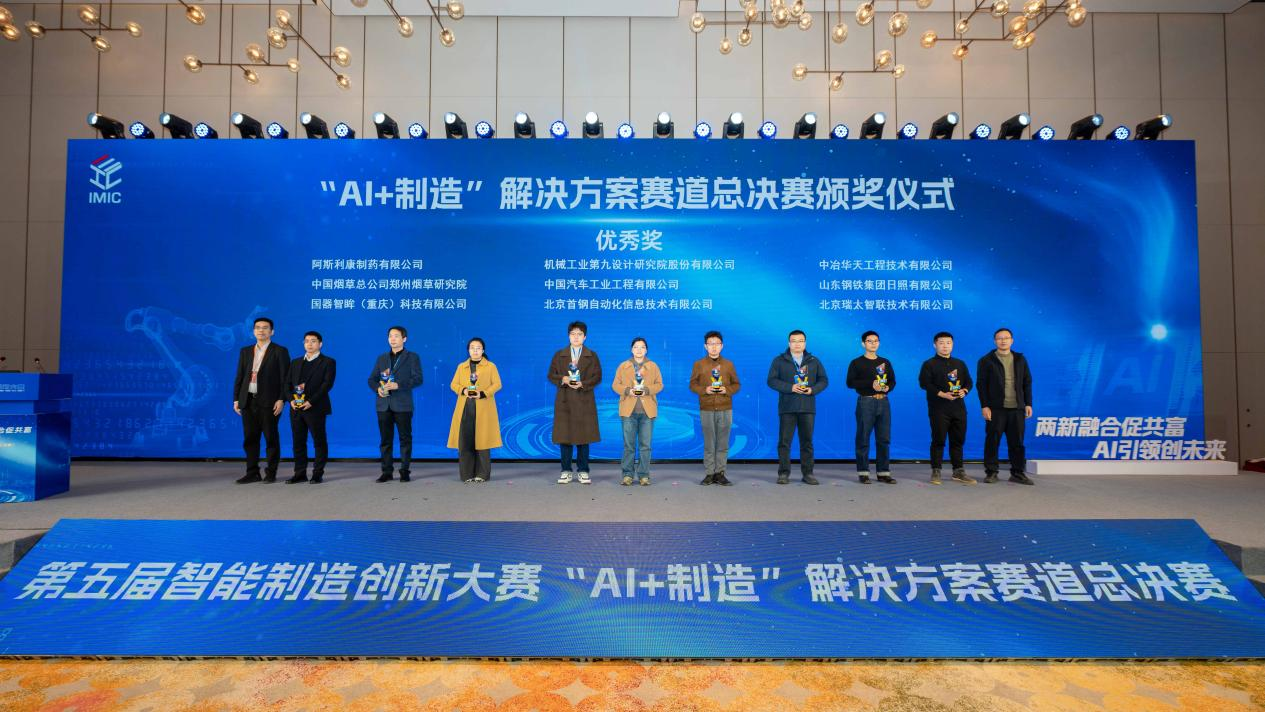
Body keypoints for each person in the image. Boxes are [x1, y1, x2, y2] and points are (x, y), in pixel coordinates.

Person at [232, 317, 291, 484]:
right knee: (250, 438)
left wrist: (282, 399)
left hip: (270, 401)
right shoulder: (245, 351)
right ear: (253, 331)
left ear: (272, 332)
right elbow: (240, 376)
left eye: (265, 328)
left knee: (271, 438)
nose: (261, 330)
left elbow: (285, 378)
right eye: (258, 327)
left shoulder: (280, 351)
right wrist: (236, 399)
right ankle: (252, 472)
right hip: (248, 399)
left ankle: (271, 472)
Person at [767, 330, 828, 485]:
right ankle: (783, 473)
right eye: (793, 341)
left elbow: (824, 380)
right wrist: (790, 387)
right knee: (784, 442)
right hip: (787, 407)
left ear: (805, 343)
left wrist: (812, 390)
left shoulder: (814, 361)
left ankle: (808, 474)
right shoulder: (779, 361)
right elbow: (771, 381)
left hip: (807, 407)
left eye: (800, 341)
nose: (797, 344)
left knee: (807, 442)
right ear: (789, 343)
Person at [976, 328, 1035, 485]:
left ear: (1012, 340)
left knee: (1017, 442)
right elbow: (981, 385)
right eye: (999, 338)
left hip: (1017, 408)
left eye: (1006, 338)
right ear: (995, 341)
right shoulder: (986, 360)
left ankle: (1017, 473)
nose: (1003, 341)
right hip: (996, 409)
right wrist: (984, 406)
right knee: (992, 441)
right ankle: (991, 472)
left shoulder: (1020, 359)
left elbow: (1027, 382)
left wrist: (1028, 403)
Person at [548, 321, 603, 484]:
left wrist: (583, 383)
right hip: (564, 400)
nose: (576, 337)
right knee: (564, 437)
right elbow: (551, 375)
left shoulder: (592, 355)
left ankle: (583, 470)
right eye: (573, 334)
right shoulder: (559, 355)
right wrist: (563, 378)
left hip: (584, 399)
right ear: (568, 336)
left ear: (585, 337)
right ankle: (565, 470)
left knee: (583, 437)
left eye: (579, 334)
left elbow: (598, 377)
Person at [918, 331, 974, 485]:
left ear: (952, 345)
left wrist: (965, 391)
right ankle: (936, 470)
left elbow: (969, 382)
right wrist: (942, 394)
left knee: (958, 440)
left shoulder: (960, 364)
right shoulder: (929, 364)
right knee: (938, 440)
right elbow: (924, 383)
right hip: (939, 409)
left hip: (958, 408)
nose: (945, 346)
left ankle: (958, 471)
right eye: (941, 343)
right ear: (935, 345)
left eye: (948, 343)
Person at [368, 326, 422, 483]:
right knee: (385, 440)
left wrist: (398, 385)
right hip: (383, 405)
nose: (392, 339)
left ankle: (404, 471)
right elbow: (371, 379)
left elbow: (418, 379)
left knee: (405, 439)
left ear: (404, 339)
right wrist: (378, 389)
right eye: (390, 336)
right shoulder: (382, 358)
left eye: (396, 336)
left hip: (403, 405)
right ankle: (386, 471)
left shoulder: (412, 357)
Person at [689, 330, 741, 486]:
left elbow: (737, 384)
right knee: (709, 443)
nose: (714, 347)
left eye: (717, 343)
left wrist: (726, 390)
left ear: (722, 346)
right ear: (705, 346)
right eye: (710, 344)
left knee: (723, 443)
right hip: (706, 408)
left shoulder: (728, 364)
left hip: (725, 408)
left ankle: (720, 473)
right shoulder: (699, 364)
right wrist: (705, 389)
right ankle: (709, 473)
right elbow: (692, 385)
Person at [447, 337, 503, 482]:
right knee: (465, 441)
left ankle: (482, 475)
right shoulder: (461, 367)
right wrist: (464, 390)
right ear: (468, 350)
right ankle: (467, 475)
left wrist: (483, 393)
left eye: (478, 348)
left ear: (483, 350)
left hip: (483, 408)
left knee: (483, 442)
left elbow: (497, 384)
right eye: (472, 348)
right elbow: (453, 384)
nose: (475, 350)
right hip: (465, 408)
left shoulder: (490, 366)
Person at [612, 337, 664, 486]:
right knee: (628, 446)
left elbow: (660, 385)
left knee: (645, 446)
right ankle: (627, 475)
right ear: (631, 350)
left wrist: (646, 390)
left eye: (642, 347)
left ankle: (644, 475)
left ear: (646, 350)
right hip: (628, 411)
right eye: (636, 347)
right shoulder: (623, 366)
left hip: (647, 412)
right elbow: (615, 385)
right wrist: (628, 391)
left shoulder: (653, 366)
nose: (639, 350)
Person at [285, 331, 336, 484]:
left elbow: (327, 385)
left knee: (319, 441)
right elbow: (287, 384)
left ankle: (317, 473)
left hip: (315, 407)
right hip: (296, 408)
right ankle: (300, 473)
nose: (309, 344)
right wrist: (291, 400)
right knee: (298, 442)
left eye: (313, 341)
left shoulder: (328, 362)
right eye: (306, 341)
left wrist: (311, 401)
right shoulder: (295, 362)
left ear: (320, 344)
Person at [846, 330, 895, 484]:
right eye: (869, 341)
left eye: (876, 341)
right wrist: (870, 384)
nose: (873, 344)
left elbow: (892, 381)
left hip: (883, 402)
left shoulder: (885, 362)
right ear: (863, 343)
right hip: (866, 402)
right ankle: (863, 472)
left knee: (884, 438)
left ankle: (883, 472)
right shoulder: (856, 362)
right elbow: (850, 383)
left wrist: (887, 387)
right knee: (863, 437)